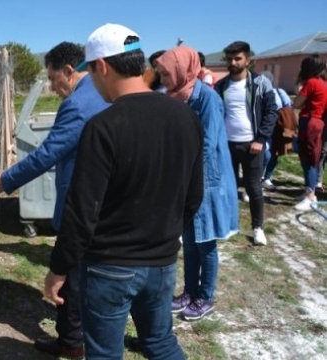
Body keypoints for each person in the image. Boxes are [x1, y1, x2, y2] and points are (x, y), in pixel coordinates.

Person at [44, 23, 203, 360]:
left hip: (109, 266)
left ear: (102, 66)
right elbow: (193, 196)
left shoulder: (103, 127)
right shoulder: (185, 117)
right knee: (160, 343)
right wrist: (166, 238)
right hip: (161, 264)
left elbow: (82, 210)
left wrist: (59, 269)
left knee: (103, 352)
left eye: (92, 73)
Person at [0, 41, 109, 359]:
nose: (53, 88)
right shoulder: (101, 92)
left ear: (69, 71)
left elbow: (50, 152)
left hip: (81, 204)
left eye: (53, 79)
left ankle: (72, 342)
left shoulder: (79, 104)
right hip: (102, 202)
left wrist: (7, 179)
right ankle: (81, 335)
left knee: (71, 277)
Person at [155, 46, 239, 322]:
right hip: (189, 179)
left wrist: (185, 176)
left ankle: (206, 296)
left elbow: (206, 145)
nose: (164, 79)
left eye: (166, 73)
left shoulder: (207, 99)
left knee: (206, 242)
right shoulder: (180, 97)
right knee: (189, 241)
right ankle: (189, 291)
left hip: (207, 180)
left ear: (181, 70)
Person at [214, 41, 277, 246]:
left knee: (253, 188)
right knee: (227, 186)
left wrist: (260, 139)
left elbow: (270, 112)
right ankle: (228, 224)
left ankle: (257, 228)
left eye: (238, 58)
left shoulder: (260, 83)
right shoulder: (221, 86)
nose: (233, 62)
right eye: (230, 59)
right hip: (227, 145)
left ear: (247, 60)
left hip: (252, 145)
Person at [292, 55, 327, 211]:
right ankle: (309, 191)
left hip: (310, 122)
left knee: (308, 159)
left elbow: (296, 103)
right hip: (318, 122)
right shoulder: (323, 83)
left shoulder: (311, 82)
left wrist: (301, 94)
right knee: (312, 157)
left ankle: (310, 195)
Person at [259, 70, 296, 190]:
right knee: (266, 153)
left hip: (278, 127)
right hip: (264, 126)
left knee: (274, 153)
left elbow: (289, 106)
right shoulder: (257, 93)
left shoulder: (279, 92)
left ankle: (267, 178)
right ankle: (258, 178)